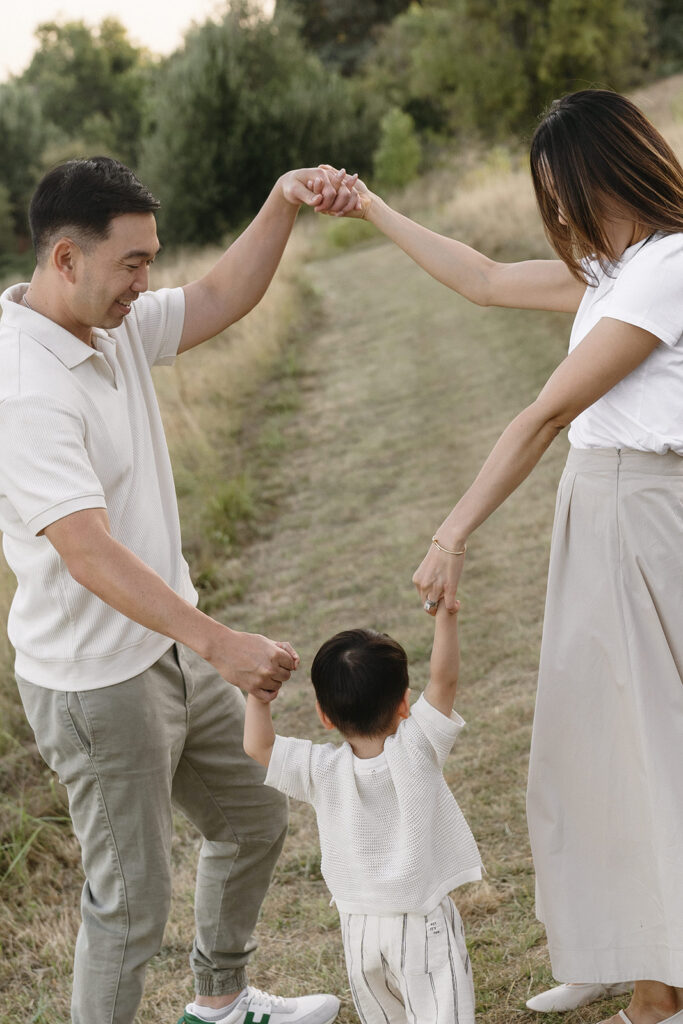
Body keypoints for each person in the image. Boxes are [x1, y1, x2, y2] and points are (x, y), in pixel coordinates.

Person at [323, 88, 683, 1024]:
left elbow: (546, 412)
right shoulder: (617, 269)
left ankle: (662, 981)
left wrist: (451, 532)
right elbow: (479, 278)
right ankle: (608, 944)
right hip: (593, 506)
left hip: (642, 512)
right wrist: (369, 205)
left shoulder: (670, 265)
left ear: (612, 171)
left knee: (648, 753)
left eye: (563, 192)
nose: (556, 214)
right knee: (582, 750)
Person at [0, 156, 358, 1024]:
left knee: (252, 815)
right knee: (127, 909)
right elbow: (86, 552)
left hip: (164, 647)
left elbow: (219, 298)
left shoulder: (105, 321)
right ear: (66, 260)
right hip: (96, 683)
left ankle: (221, 1002)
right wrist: (221, 644)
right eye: (132, 263)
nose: (146, 282)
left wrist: (279, 198)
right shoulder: (26, 388)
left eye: (150, 260)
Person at [243, 602, 483, 1024]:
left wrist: (257, 694)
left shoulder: (321, 769)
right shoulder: (419, 747)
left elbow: (258, 747)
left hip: (359, 929)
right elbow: (444, 679)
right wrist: (446, 615)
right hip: (421, 921)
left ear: (324, 716)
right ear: (404, 705)